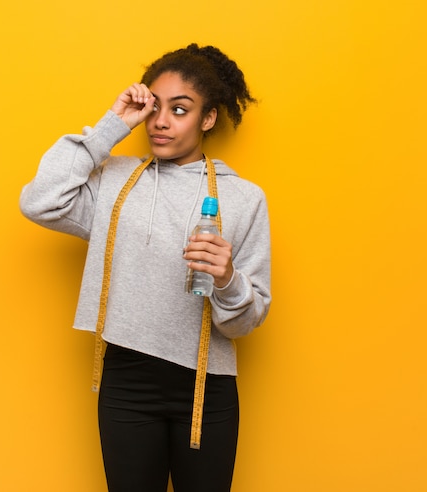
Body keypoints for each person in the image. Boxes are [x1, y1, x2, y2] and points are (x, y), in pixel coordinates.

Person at [19, 43, 271, 492]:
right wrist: (110, 126)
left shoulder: (244, 198)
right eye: (154, 107)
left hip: (205, 388)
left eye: (180, 109)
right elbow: (39, 201)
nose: (160, 121)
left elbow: (246, 322)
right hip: (126, 381)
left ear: (207, 118)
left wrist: (228, 279)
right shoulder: (114, 181)